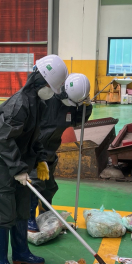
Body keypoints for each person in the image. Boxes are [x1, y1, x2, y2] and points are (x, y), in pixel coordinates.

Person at [0, 54, 68, 264]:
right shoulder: (19, 104)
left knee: (21, 210)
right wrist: (19, 168)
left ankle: (21, 252)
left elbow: (34, 137)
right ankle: (1, 259)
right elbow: (2, 140)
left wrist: (40, 159)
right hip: (0, 165)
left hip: (18, 163)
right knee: (3, 214)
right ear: (40, 81)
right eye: (50, 86)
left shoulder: (38, 103)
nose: (51, 91)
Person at [28, 72, 93, 232]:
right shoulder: (47, 100)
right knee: (35, 186)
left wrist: (87, 107)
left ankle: (46, 215)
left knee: (49, 187)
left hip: (50, 152)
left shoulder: (73, 102)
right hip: (34, 151)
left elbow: (78, 121)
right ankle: (28, 219)